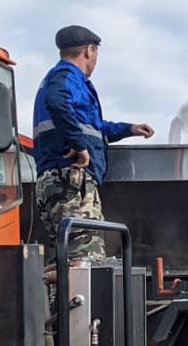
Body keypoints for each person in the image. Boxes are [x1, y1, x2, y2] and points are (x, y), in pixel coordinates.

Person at [32, 25, 154, 262]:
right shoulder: (67, 77)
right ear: (89, 50)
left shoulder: (59, 79)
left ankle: (60, 300)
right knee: (86, 263)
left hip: (56, 182)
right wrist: (79, 146)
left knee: (65, 264)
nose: (96, 59)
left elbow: (92, 127)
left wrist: (129, 129)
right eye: (96, 52)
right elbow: (58, 102)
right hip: (71, 182)